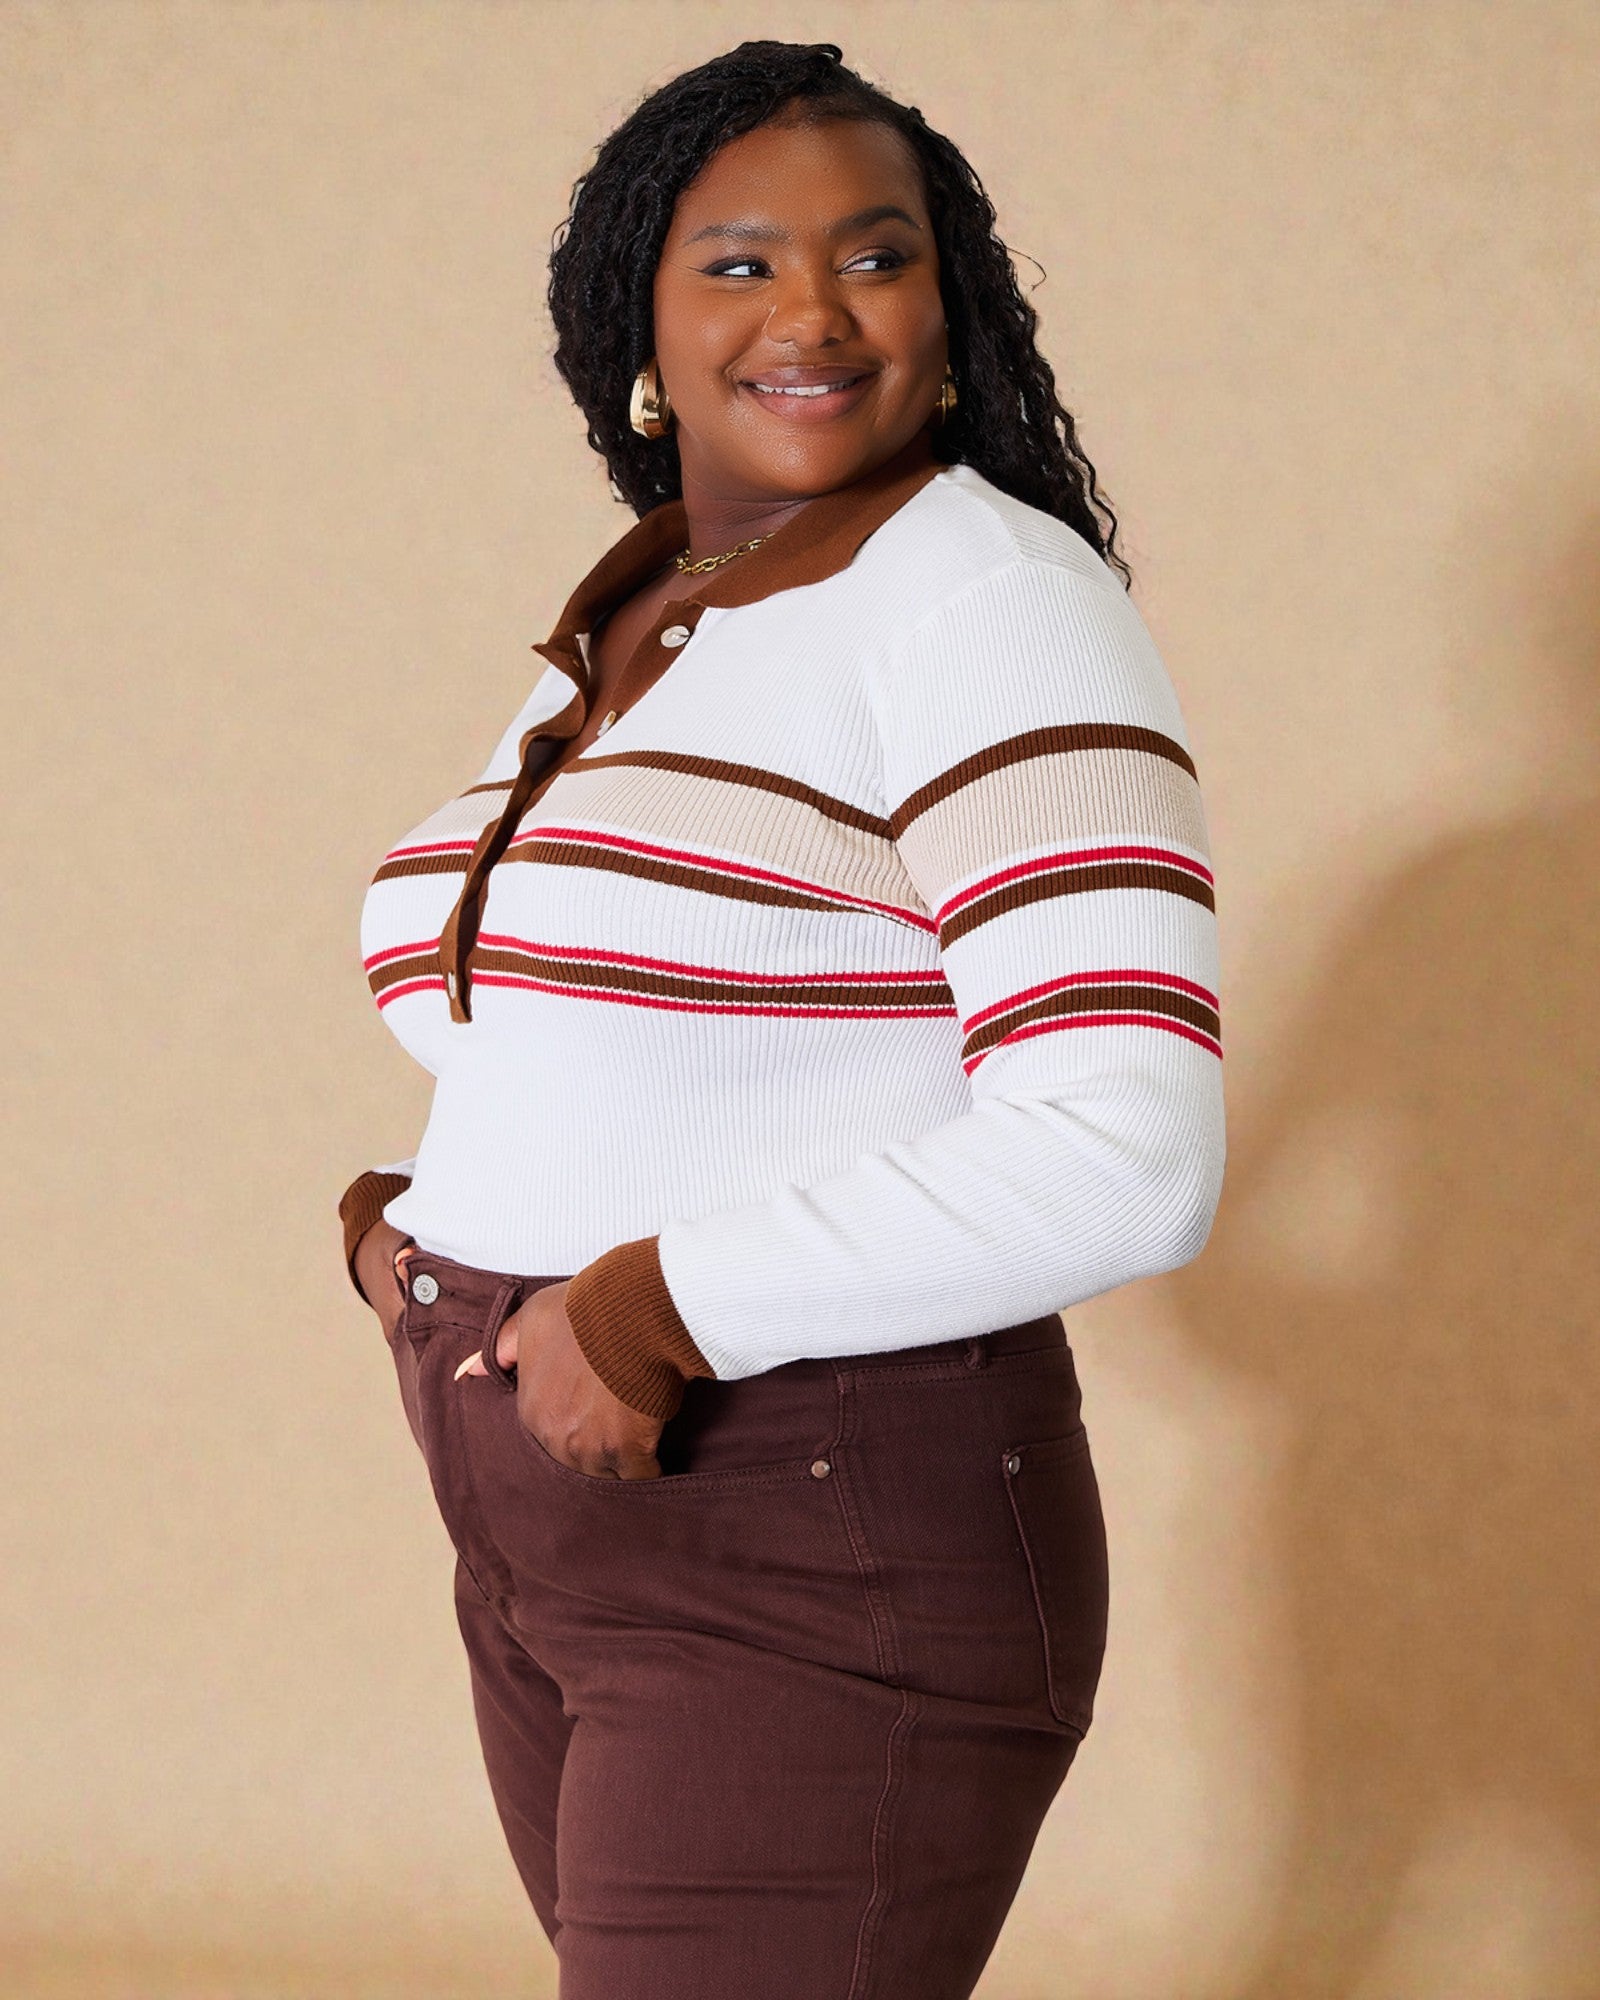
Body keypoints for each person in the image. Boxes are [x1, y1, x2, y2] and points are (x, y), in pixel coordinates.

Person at [336, 39, 1225, 2000]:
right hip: (553, 1511)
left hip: (801, 1523)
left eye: (874, 255)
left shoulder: (980, 600)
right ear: (638, 329)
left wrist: (643, 1306)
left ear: (953, 305)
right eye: (736, 264)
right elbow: (624, 994)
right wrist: (431, 1225)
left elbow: (1129, 1146)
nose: (810, 313)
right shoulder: (668, 603)